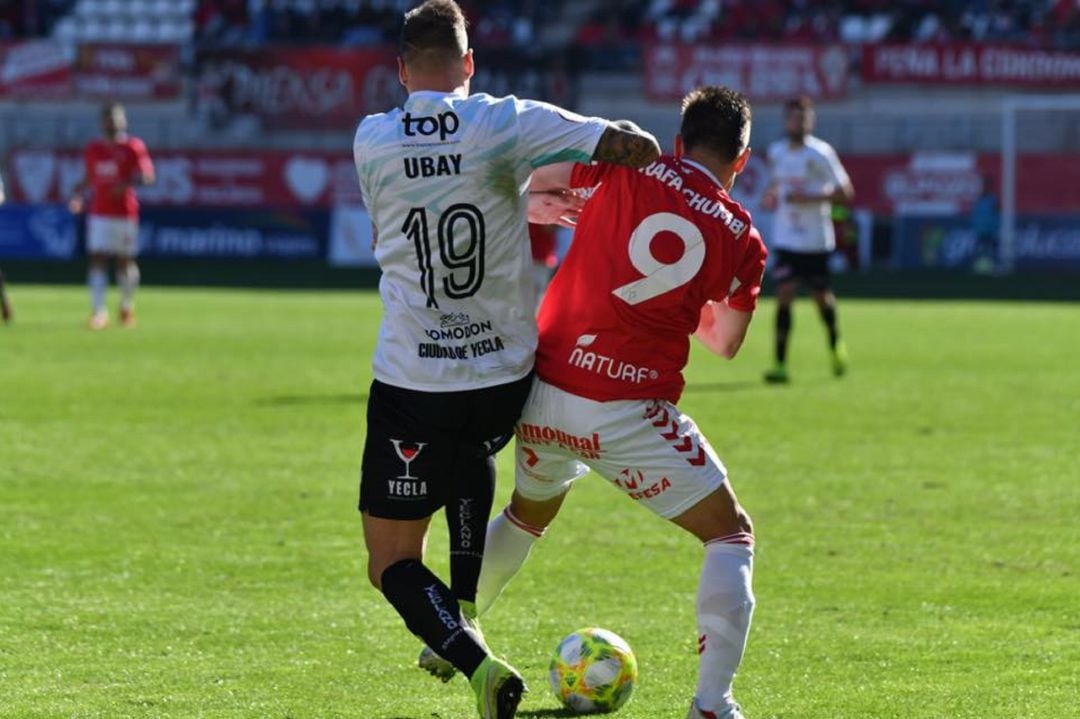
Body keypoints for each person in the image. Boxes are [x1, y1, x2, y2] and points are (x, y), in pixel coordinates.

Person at [351, 2, 660, 718]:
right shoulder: (505, 120)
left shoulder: (372, 138)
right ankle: (466, 603)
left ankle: (476, 661)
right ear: (469, 63)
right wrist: (557, 190)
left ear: (401, 69)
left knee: (391, 561)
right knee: (470, 446)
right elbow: (629, 144)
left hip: (412, 377)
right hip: (504, 375)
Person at [421, 85, 766, 719]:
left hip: (545, 391)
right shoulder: (741, 235)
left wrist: (570, 205)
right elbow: (725, 343)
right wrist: (685, 294)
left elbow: (535, 183)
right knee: (731, 536)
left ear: (680, 139)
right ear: (741, 160)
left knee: (528, 514)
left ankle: (451, 633)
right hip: (626, 407)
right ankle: (713, 704)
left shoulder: (624, 167)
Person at [760, 95, 853, 383]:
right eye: (793, 117)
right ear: (786, 121)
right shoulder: (776, 152)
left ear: (810, 121)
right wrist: (772, 194)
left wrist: (810, 197)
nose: (798, 122)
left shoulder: (821, 153)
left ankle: (835, 343)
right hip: (787, 239)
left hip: (815, 241)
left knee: (820, 298)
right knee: (784, 295)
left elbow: (845, 193)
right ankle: (779, 363)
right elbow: (778, 182)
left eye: (804, 117)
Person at [68, 103, 155, 330]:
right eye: (109, 119)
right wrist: (77, 193)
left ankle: (126, 307)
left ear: (124, 121)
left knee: (124, 262)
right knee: (97, 258)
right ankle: (99, 312)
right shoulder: (94, 149)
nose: (113, 123)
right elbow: (90, 178)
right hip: (99, 213)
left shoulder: (133, 147)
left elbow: (147, 176)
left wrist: (125, 184)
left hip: (125, 213)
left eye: (117, 118)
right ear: (102, 122)